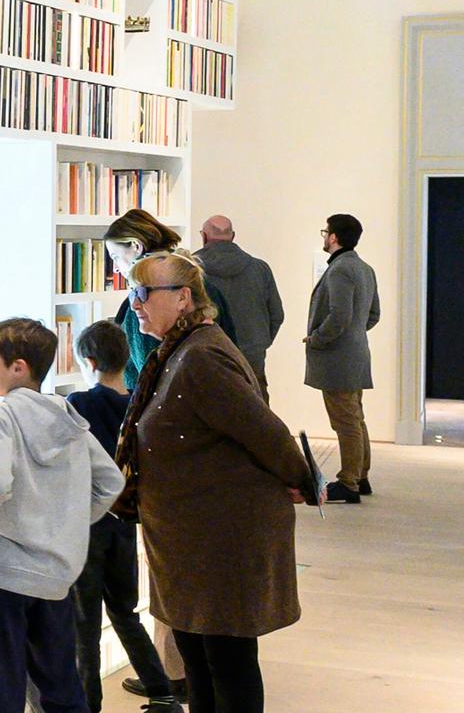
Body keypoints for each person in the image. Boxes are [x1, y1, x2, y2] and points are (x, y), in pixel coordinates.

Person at [116, 252, 316, 713]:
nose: (136, 305)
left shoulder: (200, 358)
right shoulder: (180, 351)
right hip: (192, 539)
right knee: (201, 662)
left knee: (226, 662)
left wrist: (302, 481)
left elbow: (263, 430)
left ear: (183, 298)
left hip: (218, 540)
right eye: (132, 293)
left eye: (144, 293)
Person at [0, 318, 124, 713]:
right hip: (54, 574)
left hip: (2, 572)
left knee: (0, 687)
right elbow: (110, 483)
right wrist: (65, 522)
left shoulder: (0, 415)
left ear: (18, 368)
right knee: (60, 684)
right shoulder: (67, 418)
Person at [65, 320, 181, 713]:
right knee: (125, 614)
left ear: (89, 361)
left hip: (87, 527)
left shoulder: (78, 405)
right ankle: (161, 689)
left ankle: (89, 704)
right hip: (124, 525)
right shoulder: (139, 403)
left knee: (84, 626)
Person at [105, 209, 236, 393]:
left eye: (116, 257)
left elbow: (151, 375)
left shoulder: (147, 301)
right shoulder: (195, 277)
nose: (116, 268)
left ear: (136, 246)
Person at [304, 213, 381, 503]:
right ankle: (361, 477)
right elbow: (372, 315)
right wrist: (354, 334)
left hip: (338, 358)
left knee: (345, 421)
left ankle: (348, 482)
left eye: (326, 232)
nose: (324, 237)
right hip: (356, 353)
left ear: (334, 237)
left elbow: (339, 315)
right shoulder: (364, 268)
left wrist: (317, 338)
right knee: (355, 417)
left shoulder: (340, 270)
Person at [197, 214, 285, 399]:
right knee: (257, 413)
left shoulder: (190, 270)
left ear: (204, 236)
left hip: (205, 356)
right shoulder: (260, 269)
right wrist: (259, 342)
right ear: (233, 236)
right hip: (252, 356)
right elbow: (277, 314)